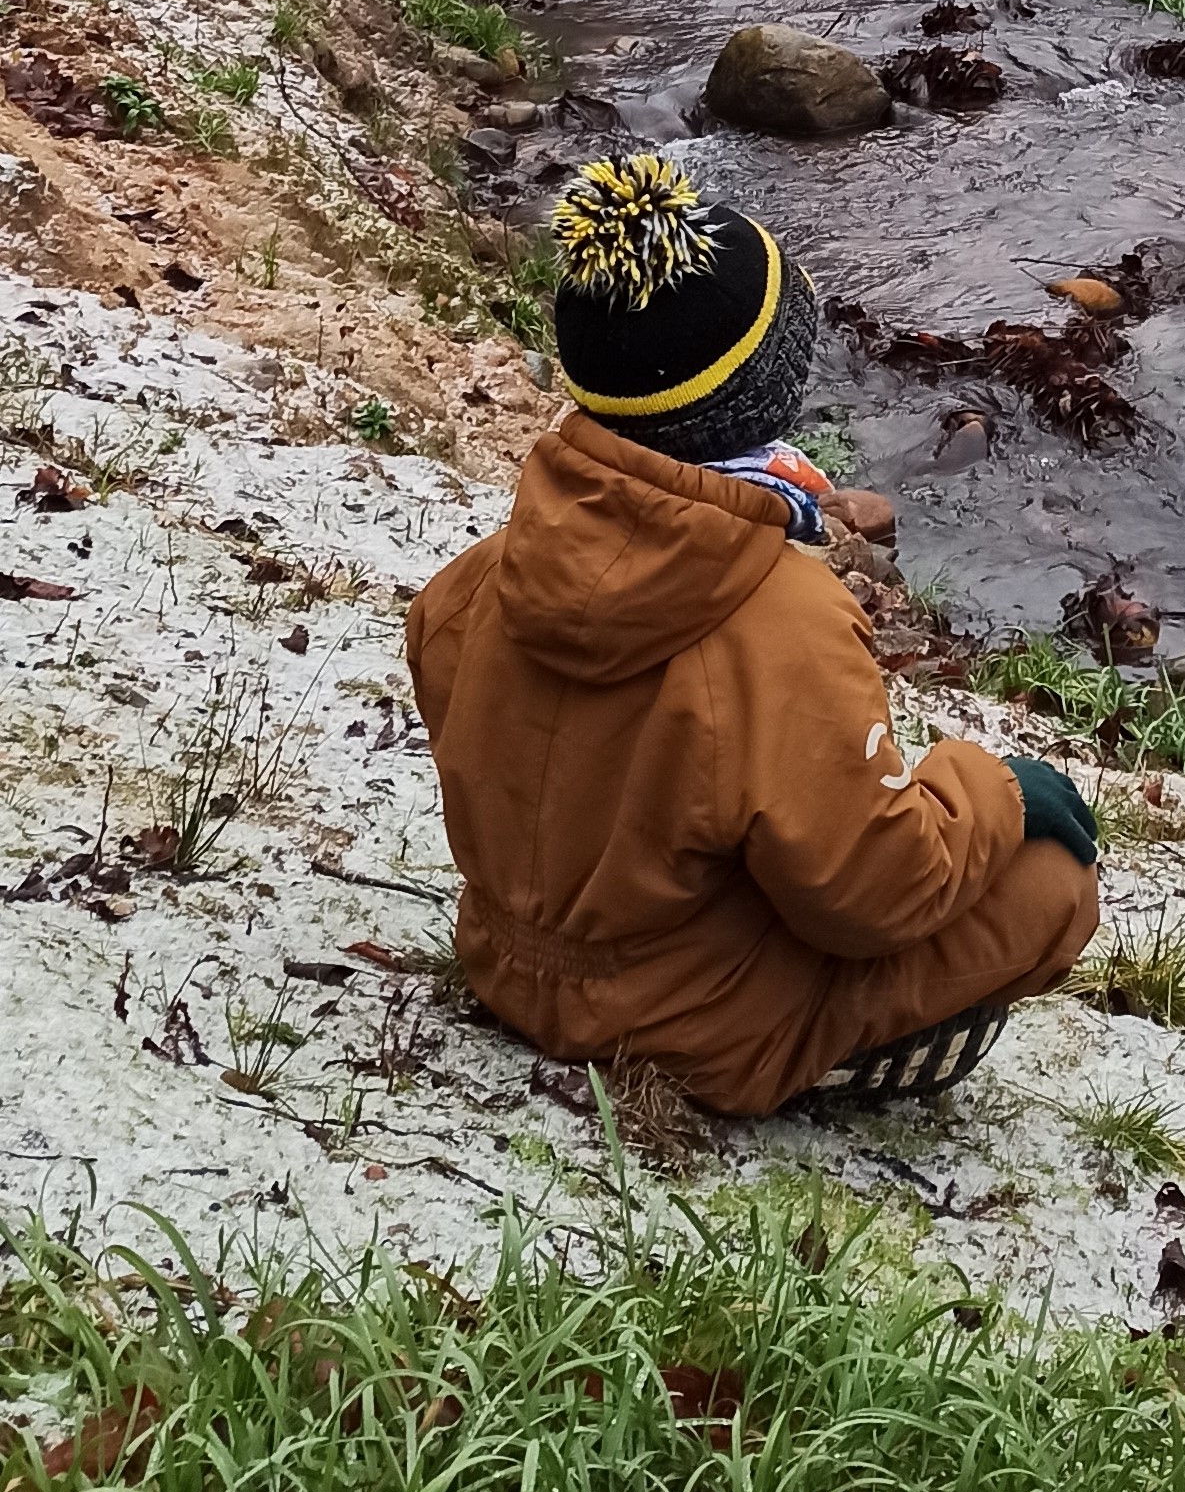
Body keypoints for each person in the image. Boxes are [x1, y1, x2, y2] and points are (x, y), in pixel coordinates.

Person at [405, 150, 1100, 1112]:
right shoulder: (785, 618)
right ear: (763, 400)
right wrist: (998, 791)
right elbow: (874, 893)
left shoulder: (482, 575)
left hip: (507, 963)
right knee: (1055, 888)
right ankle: (821, 1060)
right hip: (689, 1021)